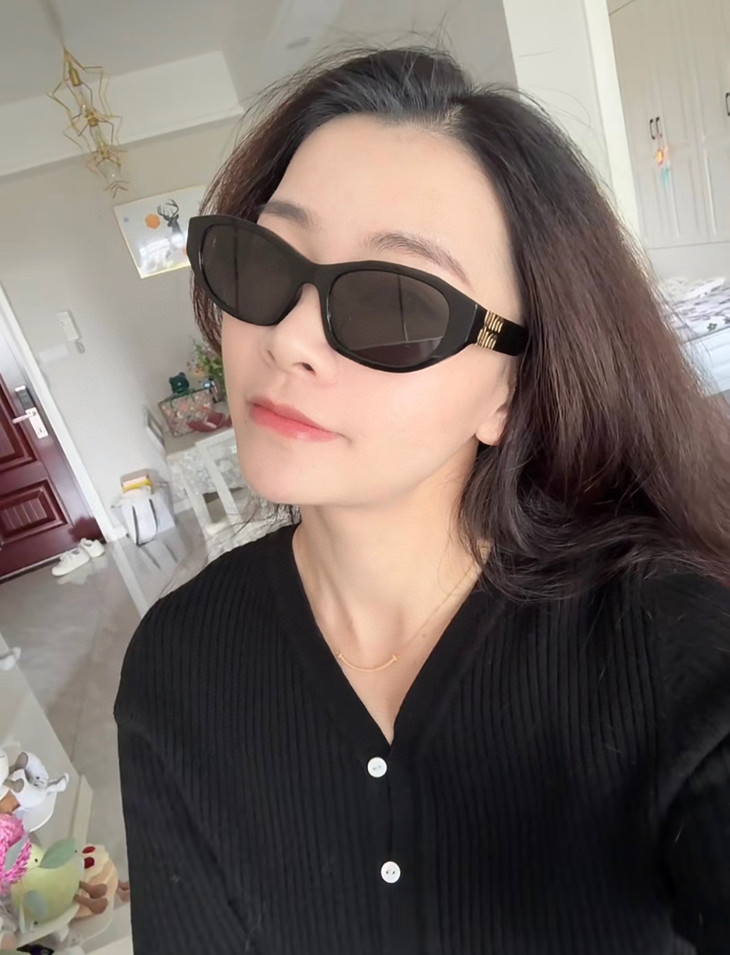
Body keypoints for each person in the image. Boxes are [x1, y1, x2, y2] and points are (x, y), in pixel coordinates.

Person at [114, 46, 730, 955]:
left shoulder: (675, 647)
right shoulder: (177, 666)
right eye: (263, 261)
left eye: (393, 305)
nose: (288, 340)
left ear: (510, 390)